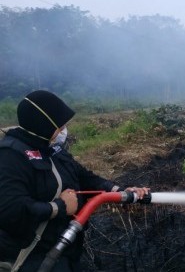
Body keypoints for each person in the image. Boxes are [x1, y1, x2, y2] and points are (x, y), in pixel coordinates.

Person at [0, 90, 149, 271]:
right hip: (32, 258)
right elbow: (10, 210)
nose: (64, 131)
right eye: (60, 126)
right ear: (44, 125)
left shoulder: (53, 149)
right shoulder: (11, 156)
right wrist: (59, 207)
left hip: (65, 251)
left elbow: (85, 176)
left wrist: (120, 191)